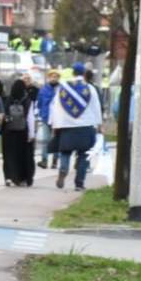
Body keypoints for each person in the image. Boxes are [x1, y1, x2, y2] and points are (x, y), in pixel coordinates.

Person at [50, 62, 103, 191]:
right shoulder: (89, 88)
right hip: (86, 127)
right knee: (84, 156)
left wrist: (55, 124)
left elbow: (56, 108)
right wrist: (99, 124)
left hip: (67, 127)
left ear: (72, 73)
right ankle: (79, 183)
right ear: (84, 73)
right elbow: (96, 107)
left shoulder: (63, 88)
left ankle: (63, 169)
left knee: (65, 152)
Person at [1, 79, 37, 187]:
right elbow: (30, 119)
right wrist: (31, 135)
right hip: (23, 132)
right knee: (23, 156)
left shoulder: (7, 100)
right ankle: (22, 178)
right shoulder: (27, 101)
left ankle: (9, 177)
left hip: (9, 132)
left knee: (9, 156)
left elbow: (3, 116)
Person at [36, 69, 61, 169]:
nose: (54, 78)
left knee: (56, 140)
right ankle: (44, 160)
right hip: (46, 117)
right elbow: (39, 103)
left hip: (58, 119)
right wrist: (40, 114)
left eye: (56, 77)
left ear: (58, 78)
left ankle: (55, 161)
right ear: (49, 78)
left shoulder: (61, 89)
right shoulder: (43, 89)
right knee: (45, 140)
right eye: (52, 76)